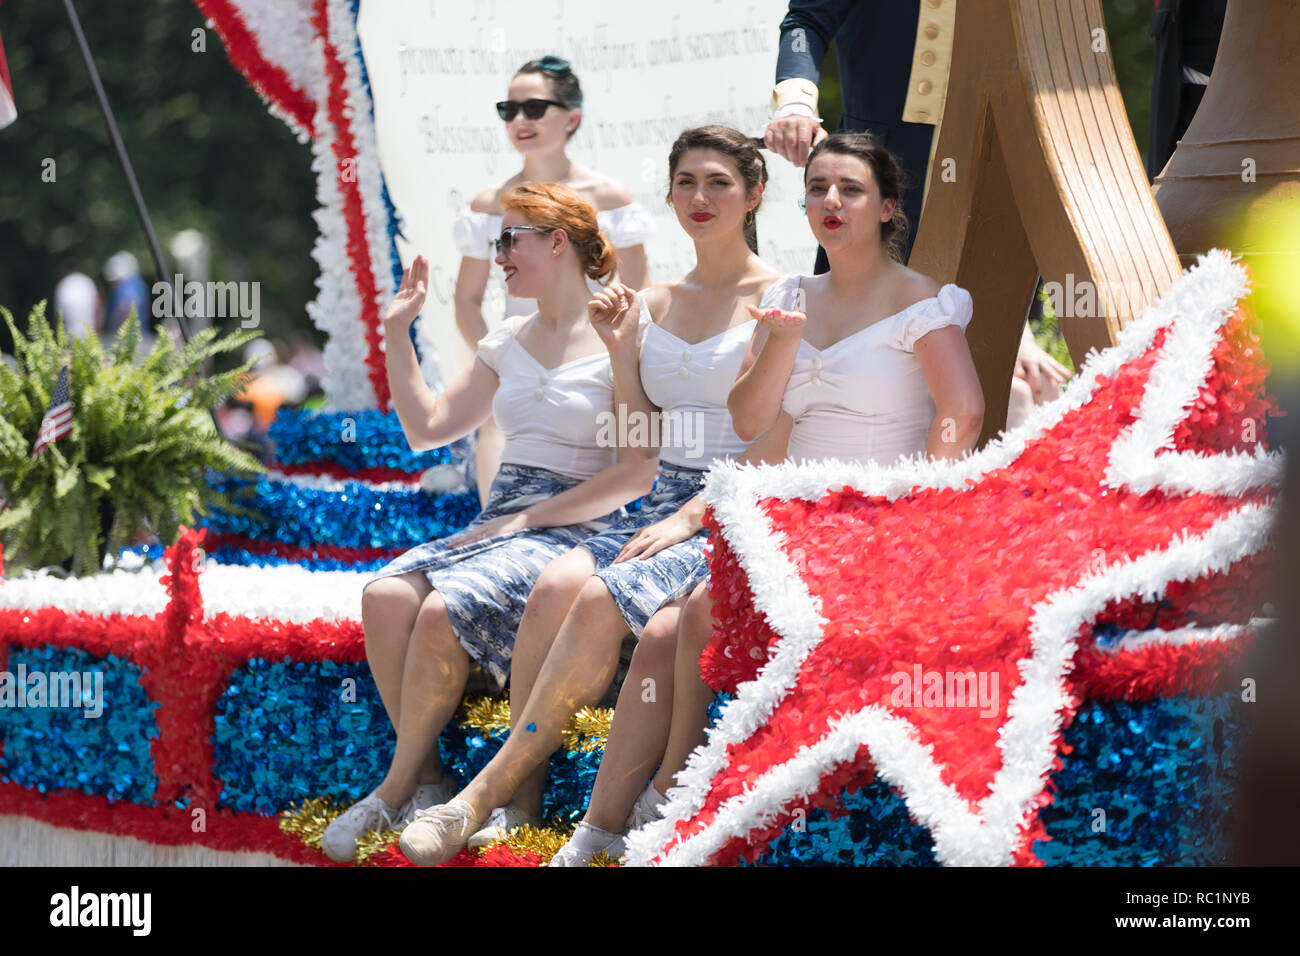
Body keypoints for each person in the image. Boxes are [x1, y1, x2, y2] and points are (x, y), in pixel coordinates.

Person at [568, 130, 985, 865]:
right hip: (791, 506)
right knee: (669, 629)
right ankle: (601, 827)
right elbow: (753, 425)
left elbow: (964, 411)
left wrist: (925, 523)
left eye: (851, 189)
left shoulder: (922, 299)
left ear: (887, 207)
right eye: (818, 187)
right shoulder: (792, 297)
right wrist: (782, 349)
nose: (831, 200)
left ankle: (672, 794)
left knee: (696, 613)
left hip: (882, 514)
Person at [396, 126, 796, 867]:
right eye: (685, 183)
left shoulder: (781, 298)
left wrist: (695, 512)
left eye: (718, 183)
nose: (699, 198)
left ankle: (477, 798)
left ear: (755, 195)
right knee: (556, 584)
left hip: (725, 504)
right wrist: (621, 351)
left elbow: (777, 434)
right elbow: (641, 440)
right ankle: (514, 801)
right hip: (655, 500)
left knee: (595, 599)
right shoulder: (657, 299)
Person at [321, 183, 657, 863]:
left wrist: (525, 519)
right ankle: (425, 782)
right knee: (386, 595)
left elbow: (638, 468)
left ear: (556, 240)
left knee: (443, 610)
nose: (496, 254)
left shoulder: (627, 327)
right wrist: (397, 330)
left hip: (581, 522)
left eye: (509, 239)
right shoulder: (507, 338)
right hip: (508, 516)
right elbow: (426, 428)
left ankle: (390, 791)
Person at [763, 1, 1067, 428]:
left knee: (1025, 391)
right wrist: (795, 104)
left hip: (992, 172)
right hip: (877, 177)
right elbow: (807, 19)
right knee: (843, 379)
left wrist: (1018, 331)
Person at [453, 55, 654, 507]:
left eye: (535, 108)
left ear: (573, 118)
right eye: (509, 110)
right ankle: (493, 527)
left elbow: (638, 296)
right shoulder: (489, 204)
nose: (520, 120)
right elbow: (466, 300)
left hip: (595, 355)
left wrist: (617, 361)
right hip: (518, 351)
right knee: (494, 420)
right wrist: (500, 358)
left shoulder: (609, 198)